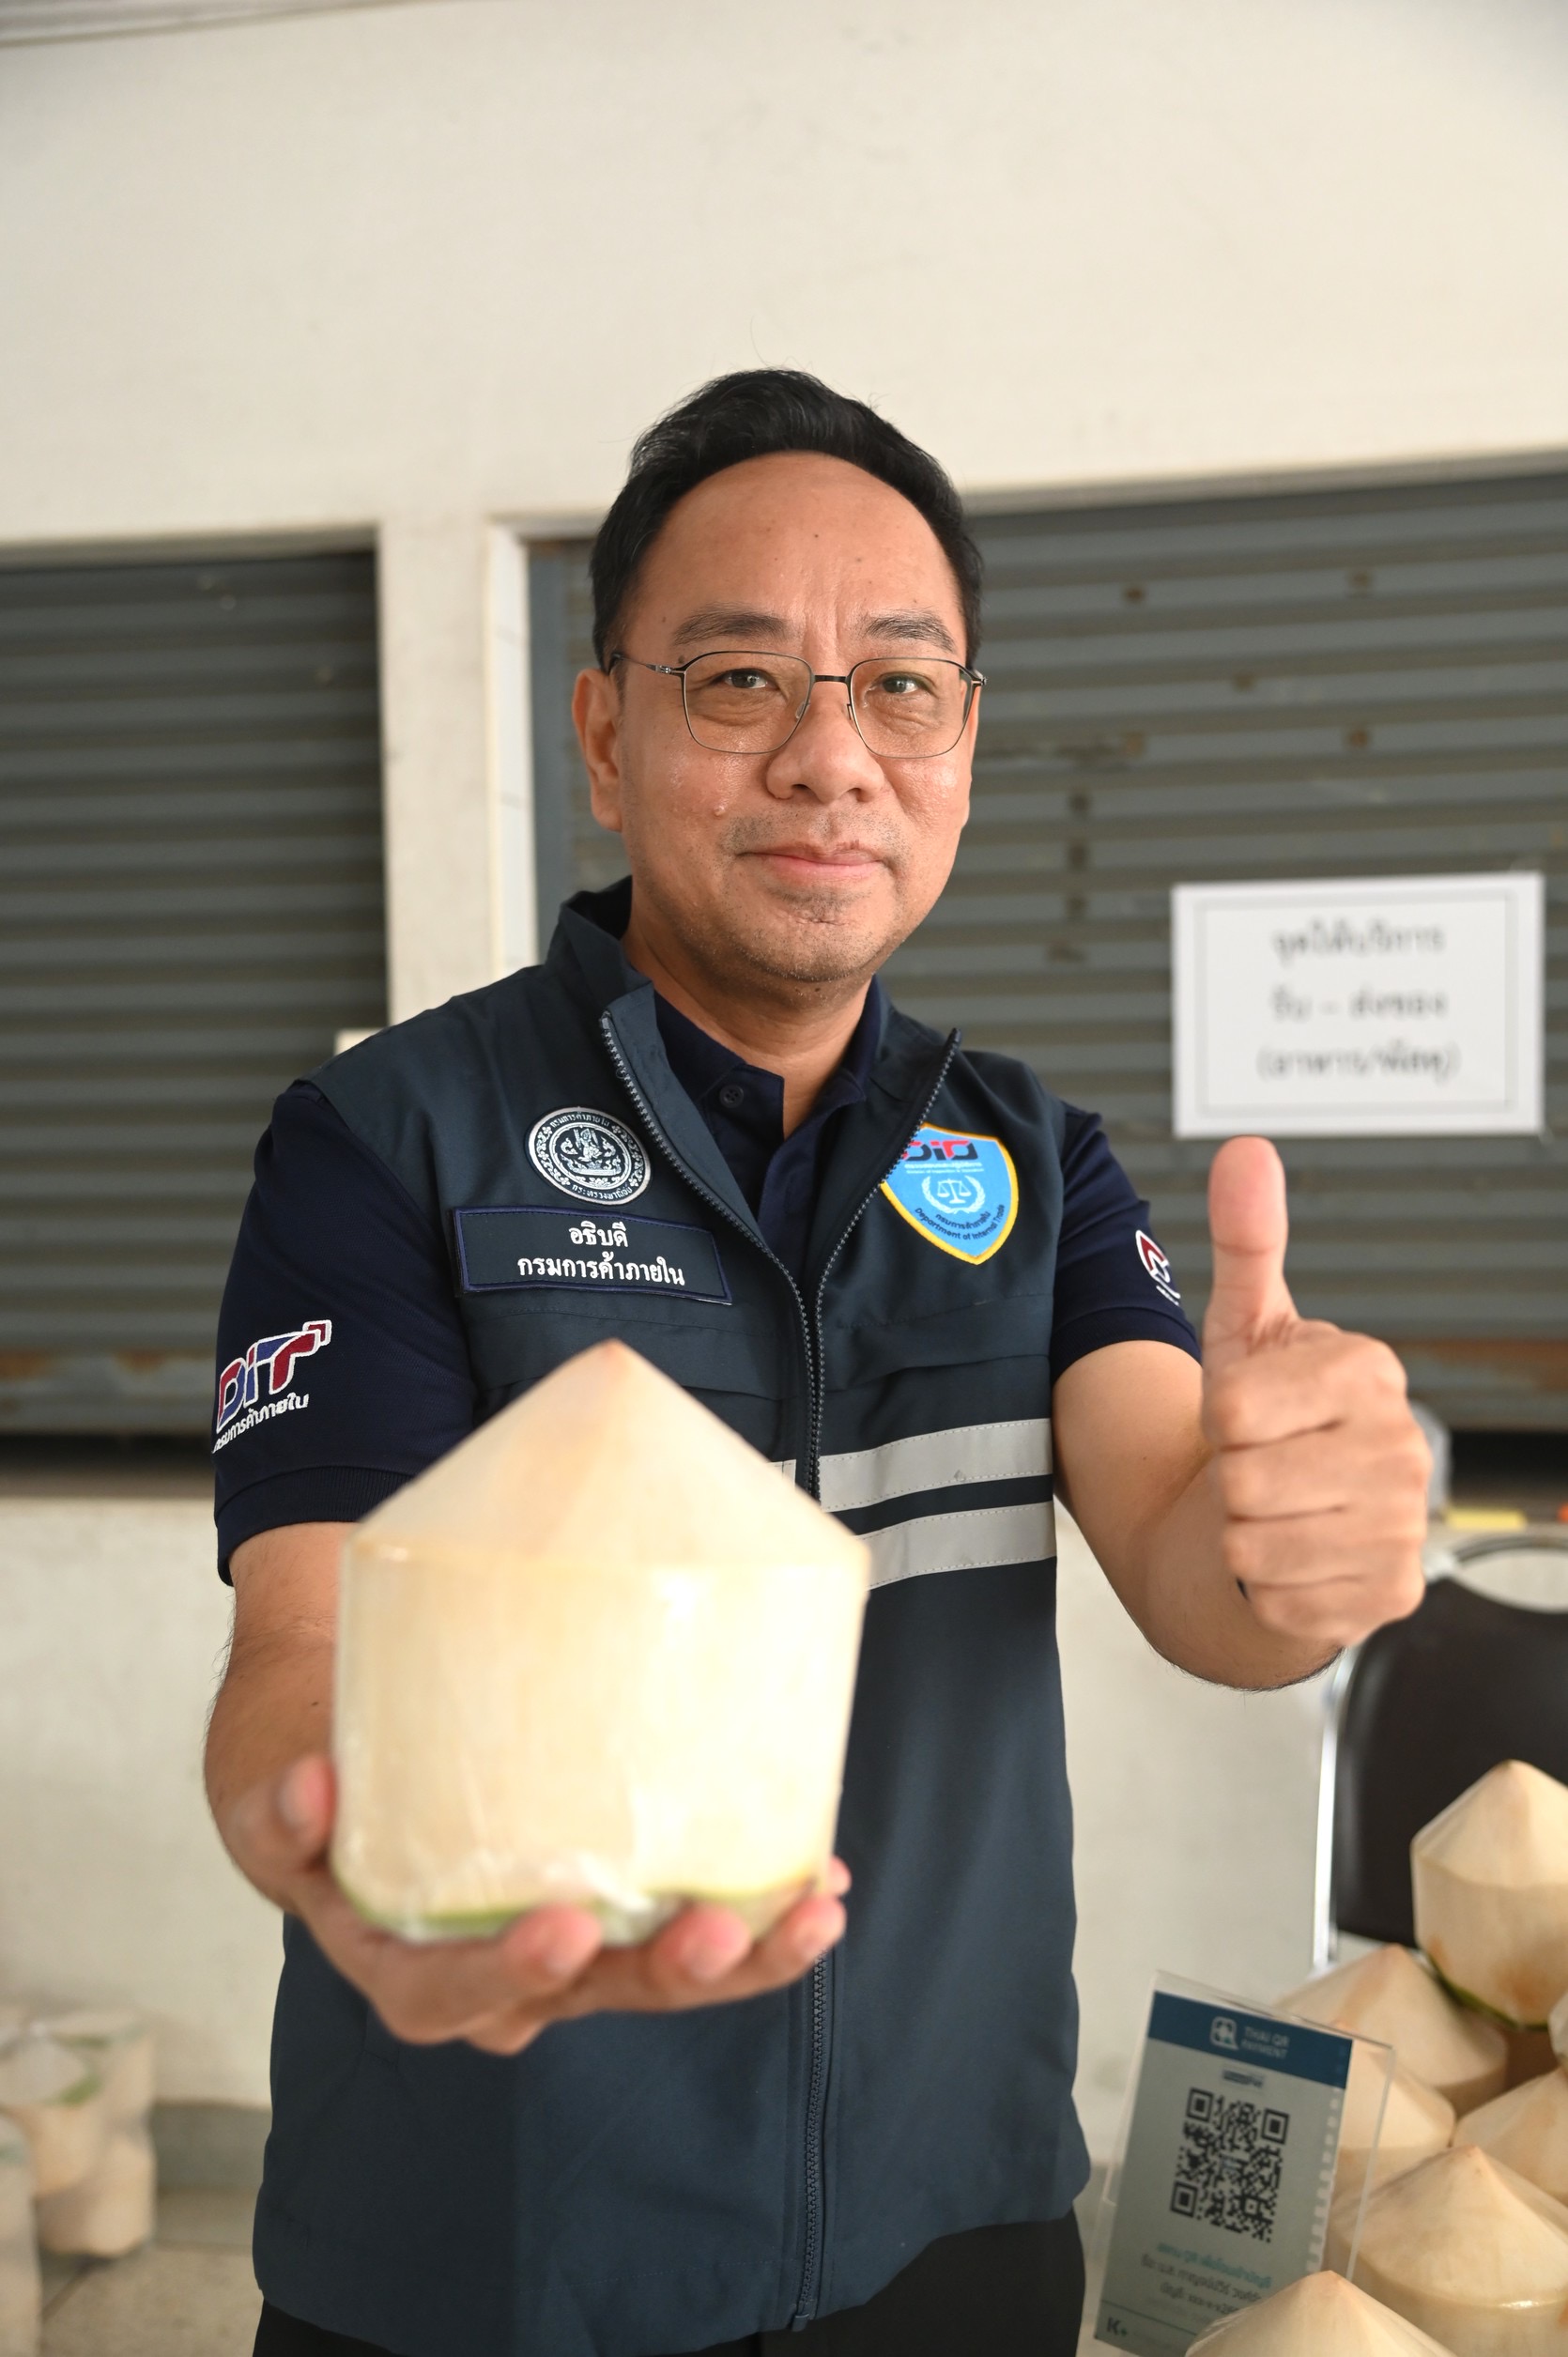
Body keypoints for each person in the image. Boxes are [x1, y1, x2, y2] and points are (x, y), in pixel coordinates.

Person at [205, 370, 1430, 2357]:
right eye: (737, 681)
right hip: (494, 2249)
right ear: (605, 736)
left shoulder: (1027, 1157)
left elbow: (1190, 1554)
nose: (831, 757)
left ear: (962, 745)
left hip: (950, 2230)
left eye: (901, 687)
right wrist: (322, 1827)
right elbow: (302, 1639)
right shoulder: (392, 1138)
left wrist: (1304, 1539)